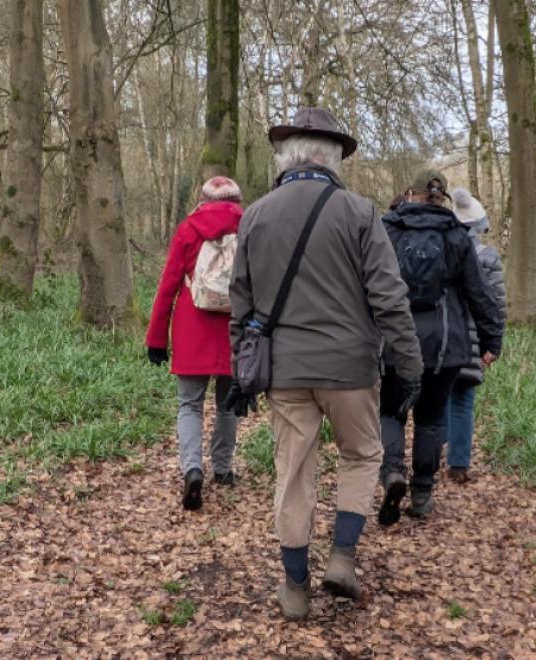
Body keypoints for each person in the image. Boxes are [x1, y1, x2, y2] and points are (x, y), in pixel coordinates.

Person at [226, 107, 423, 620]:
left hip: (285, 371)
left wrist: (238, 370)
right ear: (333, 158)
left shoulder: (255, 215)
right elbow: (390, 298)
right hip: (351, 368)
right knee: (361, 455)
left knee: (293, 472)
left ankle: (294, 588)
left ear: (286, 157)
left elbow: (241, 305)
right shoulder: (360, 212)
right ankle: (341, 558)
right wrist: (409, 364)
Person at [378, 171, 503, 524]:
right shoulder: (457, 235)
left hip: (395, 341)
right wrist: (492, 339)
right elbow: (479, 292)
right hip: (445, 346)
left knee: (391, 411)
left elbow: (367, 285)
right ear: (441, 197)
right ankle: (421, 493)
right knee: (430, 419)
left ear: (410, 193)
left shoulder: (388, 231)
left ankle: (392, 473)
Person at [145, 177, 243, 512]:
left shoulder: (188, 229)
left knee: (189, 405)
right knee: (229, 404)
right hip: (235, 330)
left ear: (202, 199)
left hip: (192, 328)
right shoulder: (249, 229)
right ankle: (224, 469)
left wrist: (156, 338)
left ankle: (192, 469)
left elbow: (169, 284)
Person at [445, 188, 506, 483]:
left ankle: (434, 450)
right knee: (463, 399)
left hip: (442, 337)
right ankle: (458, 464)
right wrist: (493, 343)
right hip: (473, 339)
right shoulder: (488, 257)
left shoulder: (441, 249)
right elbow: (496, 303)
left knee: (439, 394)